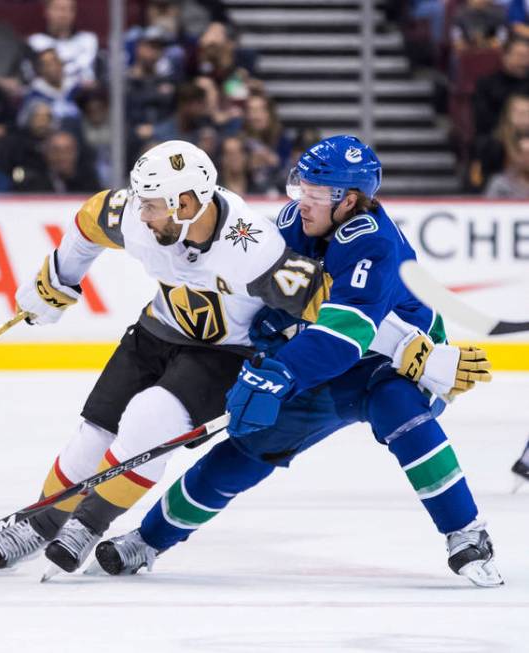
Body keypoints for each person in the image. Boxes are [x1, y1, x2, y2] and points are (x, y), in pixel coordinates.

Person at [95, 136, 502, 588]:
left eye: (314, 195)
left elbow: (344, 334)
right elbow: (273, 297)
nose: (300, 203)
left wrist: (281, 372)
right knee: (248, 446)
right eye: (300, 188)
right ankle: (149, 540)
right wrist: (268, 349)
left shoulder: (373, 243)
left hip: (390, 364)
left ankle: (468, 532)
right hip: (327, 363)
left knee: (401, 412)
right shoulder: (294, 221)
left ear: (348, 201)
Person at [0, 139, 339, 574]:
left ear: (187, 203)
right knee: (94, 434)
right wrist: (57, 280)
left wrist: (409, 346)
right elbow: (92, 217)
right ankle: (42, 522)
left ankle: (87, 524)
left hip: (223, 354)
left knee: (151, 420)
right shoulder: (136, 216)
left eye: (152, 206)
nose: (141, 215)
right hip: (156, 332)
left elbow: (340, 306)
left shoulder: (252, 248)